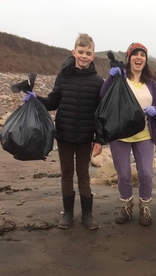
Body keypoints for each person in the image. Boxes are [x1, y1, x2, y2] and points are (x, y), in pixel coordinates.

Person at [23, 33, 104, 230]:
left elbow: (101, 113)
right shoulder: (63, 76)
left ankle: (87, 214)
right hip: (65, 135)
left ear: (93, 56)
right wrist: (35, 99)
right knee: (67, 173)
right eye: (81, 52)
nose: (84, 56)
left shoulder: (97, 81)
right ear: (74, 52)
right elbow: (53, 102)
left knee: (83, 174)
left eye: (88, 53)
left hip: (86, 137)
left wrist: (100, 139)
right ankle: (67, 213)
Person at [100, 42, 156, 226]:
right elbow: (103, 96)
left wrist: (155, 112)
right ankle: (126, 207)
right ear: (129, 57)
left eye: (142, 55)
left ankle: (145, 207)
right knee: (124, 174)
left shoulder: (152, 83)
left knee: (146, 174)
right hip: (120, 134)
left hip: (144, 134)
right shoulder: (120, 77)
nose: (139, 57)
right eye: (135, 54)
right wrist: (110, 79)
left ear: (145, 59)